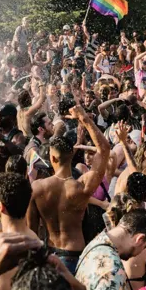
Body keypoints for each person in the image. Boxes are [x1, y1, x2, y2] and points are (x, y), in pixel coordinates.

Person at [28, 104, 110, 274]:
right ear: (72, 155)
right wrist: (85, 119)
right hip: (76, 257)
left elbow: (31, 233)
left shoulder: (37, 188)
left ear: (51, 158)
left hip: (49, 256)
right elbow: (104, 149)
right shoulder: (81, 187)